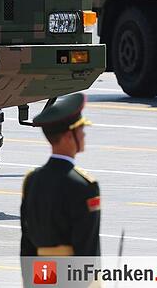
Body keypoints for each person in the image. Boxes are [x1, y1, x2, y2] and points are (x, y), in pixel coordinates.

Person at [19, 92, 100, 263]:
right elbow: (87, 247)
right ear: (69, 137)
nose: (84, 135)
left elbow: (27, 242)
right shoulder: (83, 185)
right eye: (81, 129)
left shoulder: (32, 181)